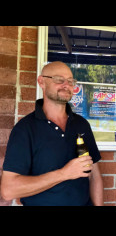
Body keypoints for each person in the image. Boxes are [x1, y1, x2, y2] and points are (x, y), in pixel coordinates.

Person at [1, 61, 103, 206]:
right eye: (59, 80)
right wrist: (64, 173)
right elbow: (8, 190)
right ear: (41, 82)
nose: (66, 85)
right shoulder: (25, 129)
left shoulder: (82, 125)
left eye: (70, 81)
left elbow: (94, 176)